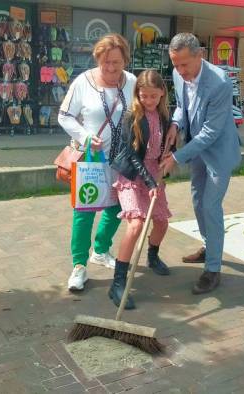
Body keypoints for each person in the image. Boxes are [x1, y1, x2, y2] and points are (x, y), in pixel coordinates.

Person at [160, 33, 241, 295]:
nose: (180, 70)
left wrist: (175, 157)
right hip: (197, 152)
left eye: (185, 64)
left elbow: (210, 133)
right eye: (175, 64)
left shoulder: (220, 83)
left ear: (200, 55)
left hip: (218, 152)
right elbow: (182, 107)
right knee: (197, 200)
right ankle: (209, 247)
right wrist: (175, 124)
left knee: (210, 205)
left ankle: (213, 270)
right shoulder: (177, 74)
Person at [58, 33, 137, 291]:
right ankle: (79, 266)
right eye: (105, 63)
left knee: (116, 208)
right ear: (98, 60)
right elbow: (64, 116)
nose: (111, 68)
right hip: (92, 159)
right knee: (84, 212)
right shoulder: (83, 81)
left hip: (121, 159)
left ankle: (101, 250)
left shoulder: (132, 82)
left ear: (125, 59)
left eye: (116, 62)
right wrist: (85, 135)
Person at [109, 70, 173, 309]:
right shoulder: (131, 117)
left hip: (155, 174)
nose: (148, 101)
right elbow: (131, 155)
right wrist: (149, 182)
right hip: (133, 175)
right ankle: (117, 283)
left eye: (154, 97)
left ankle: (152, 256)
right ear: (138, 94)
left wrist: (169, 156)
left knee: (162, 222)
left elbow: (166, 144)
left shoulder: (164, 117)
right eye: (144, 96)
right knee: (135, 224)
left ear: (162, 94)